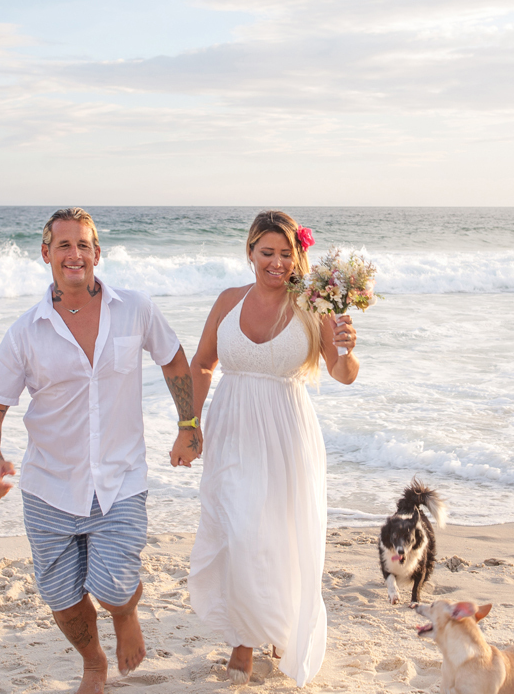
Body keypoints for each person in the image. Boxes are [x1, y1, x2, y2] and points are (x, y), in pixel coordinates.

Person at [0, 208, 203, 694]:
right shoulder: (25, 332)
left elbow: (174, 360)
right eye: (63, 245)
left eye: (83, 245)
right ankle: (93, 662)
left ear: (97, 253)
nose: (74, 254)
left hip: (120, 480)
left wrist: (187, 424)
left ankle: (125, 613)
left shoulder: (135, 308)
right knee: (61, 597)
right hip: (48, 487)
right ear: (46, 254)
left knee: (114, 585)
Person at [186, 210, 359, 687]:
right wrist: (189, 425)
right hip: (232, 428)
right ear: (250, 253)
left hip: (286, 431)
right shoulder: (228, 300)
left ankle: (279, 626)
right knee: (239, 532)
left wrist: (345, 348)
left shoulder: (313, 306)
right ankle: (244, 641)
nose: (277, 263)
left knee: (282, 535)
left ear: (297, 256)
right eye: (267, 252)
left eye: (286, 253)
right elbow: (202, 364)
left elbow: (342, 374)